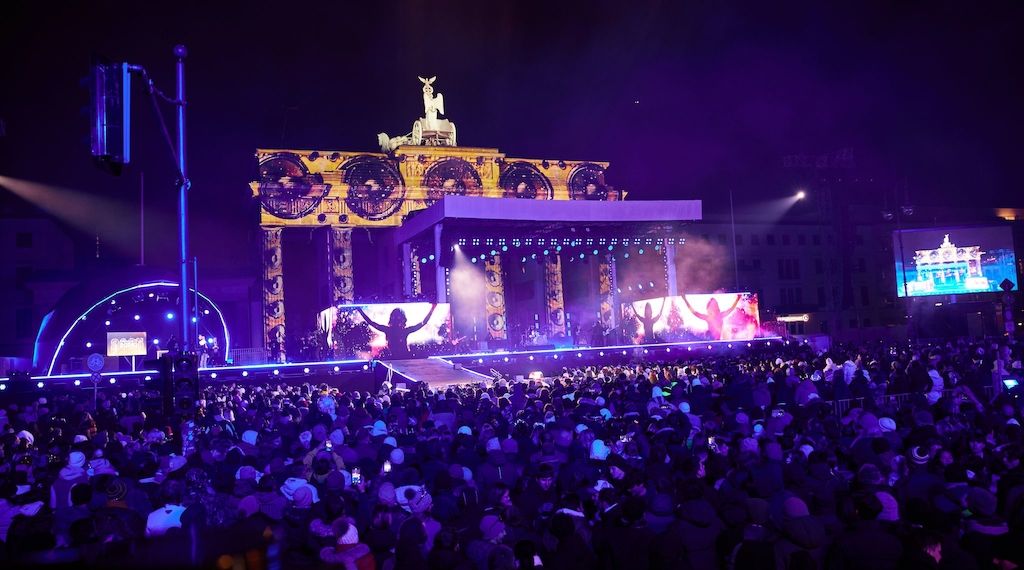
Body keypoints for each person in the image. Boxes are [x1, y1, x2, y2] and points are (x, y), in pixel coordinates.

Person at [357, 304, 438, 359]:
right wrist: (433, 308)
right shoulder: (400, 331)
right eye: (396, 318)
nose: (397, 321)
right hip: (399, 358)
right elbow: (423, 323)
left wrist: (359, 309)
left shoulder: (394, 330)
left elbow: (423, 323)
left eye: (399, 318)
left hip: (402, 358)